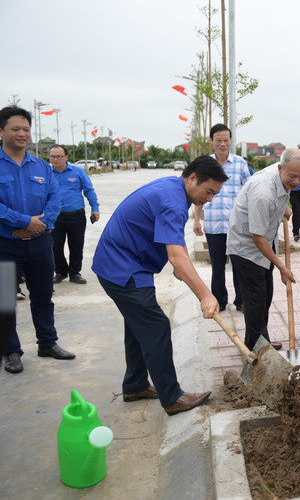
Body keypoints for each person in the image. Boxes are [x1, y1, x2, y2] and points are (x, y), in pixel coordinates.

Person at [92, 156, 227, 416]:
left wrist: (182, 265)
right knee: (156, 327)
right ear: (192, 178)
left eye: (214, 194)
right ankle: (172, 397)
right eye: (208, 191)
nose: (209, 199)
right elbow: (175, 255)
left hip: (126, 263)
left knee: (138, 325)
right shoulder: (173, 202)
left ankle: (135, 385)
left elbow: (178, 247)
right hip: (122, 268)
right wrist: (206, 295)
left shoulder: (173, 189)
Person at [0, 105, 75, 374]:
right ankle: (10, 351)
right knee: (5, 300)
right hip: (6, 243)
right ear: (1, 131)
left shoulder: (42, 165)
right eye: (15, 129)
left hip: (41, 241)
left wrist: (38, 225)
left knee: (43, 295)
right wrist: (24, 222)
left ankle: (47, 342)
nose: (22, 134)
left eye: (26, 129)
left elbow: (55, 200)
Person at [226, 149, 300, 351]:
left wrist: (285, 207)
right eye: (293, 176)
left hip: (263, 244)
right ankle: (255, 348)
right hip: (246, 248)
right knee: (255, 300)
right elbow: (258, 238)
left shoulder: (284, 173)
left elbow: (284, 190)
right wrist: (282, 267)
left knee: (265, 297)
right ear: (281, 168)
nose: (297, 181)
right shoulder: (263, 193)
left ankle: (261, 340)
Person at [193, 123, 251, 311]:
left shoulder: (240, 164)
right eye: (218, 140)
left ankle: (241, 301)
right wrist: (196, 219)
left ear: (230, 141)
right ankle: (220, 300)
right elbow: (198, 194)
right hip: (213, 224)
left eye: (226, 140)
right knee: (217, 266)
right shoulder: (205, 165)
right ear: (212, 141)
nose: (223, 144)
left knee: (239, 265)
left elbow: (249, 191)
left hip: (237, 225)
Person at [48, 144, 100, 285]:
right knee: (55, 246)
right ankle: (61, 271)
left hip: (76, 215)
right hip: (55, 216)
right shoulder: (47, 173)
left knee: (76, 246)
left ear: (66, 157)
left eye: (59, 156)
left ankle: (75, 273)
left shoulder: (78, 172)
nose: (55, 159)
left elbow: (89, 190)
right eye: (53, 156)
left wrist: (95, 207)